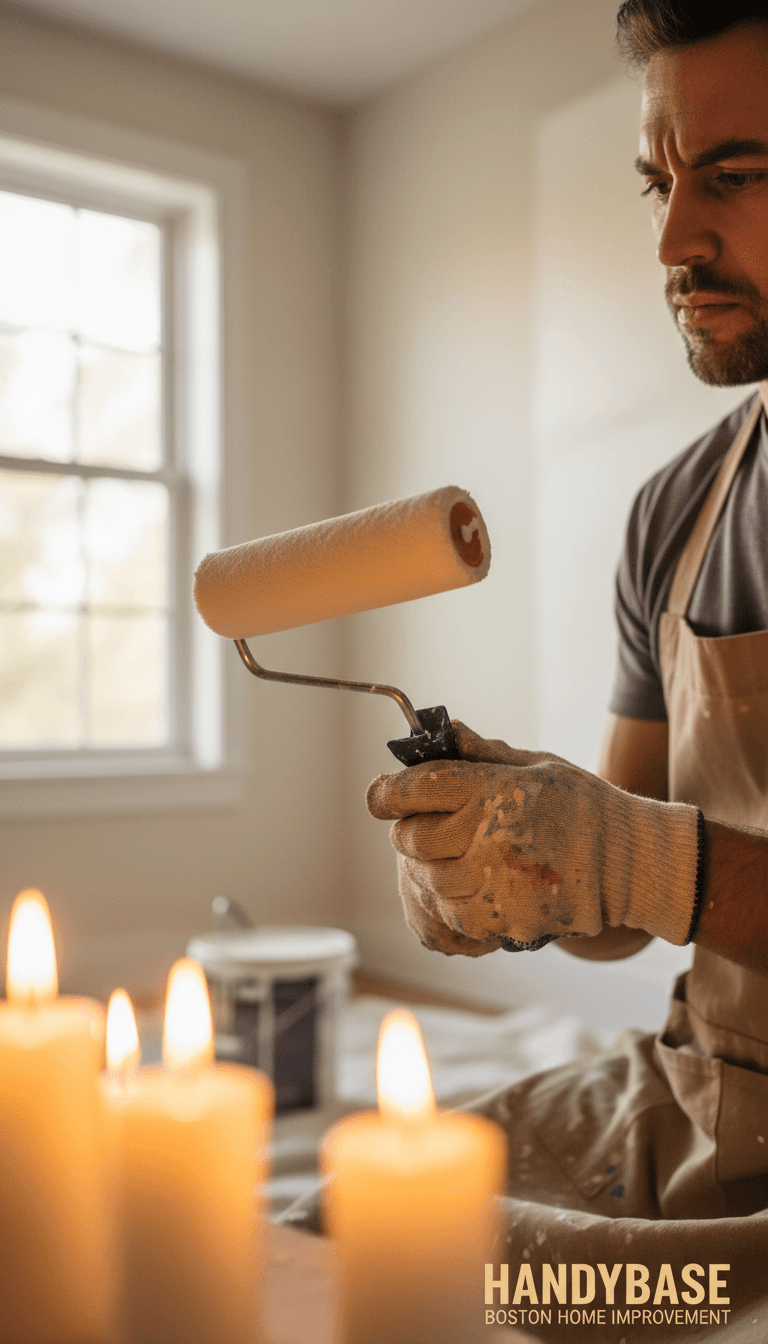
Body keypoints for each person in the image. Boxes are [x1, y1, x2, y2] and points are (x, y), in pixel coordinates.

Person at [366, 5, 768, 1337]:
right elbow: (619, 908)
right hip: (704, 1103)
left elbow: (654, 868)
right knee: (349, 1246)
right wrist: (515, 852)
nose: (672, 241)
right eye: (661, 182)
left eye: (736, 175)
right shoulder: (679, 508)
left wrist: (640, 858)